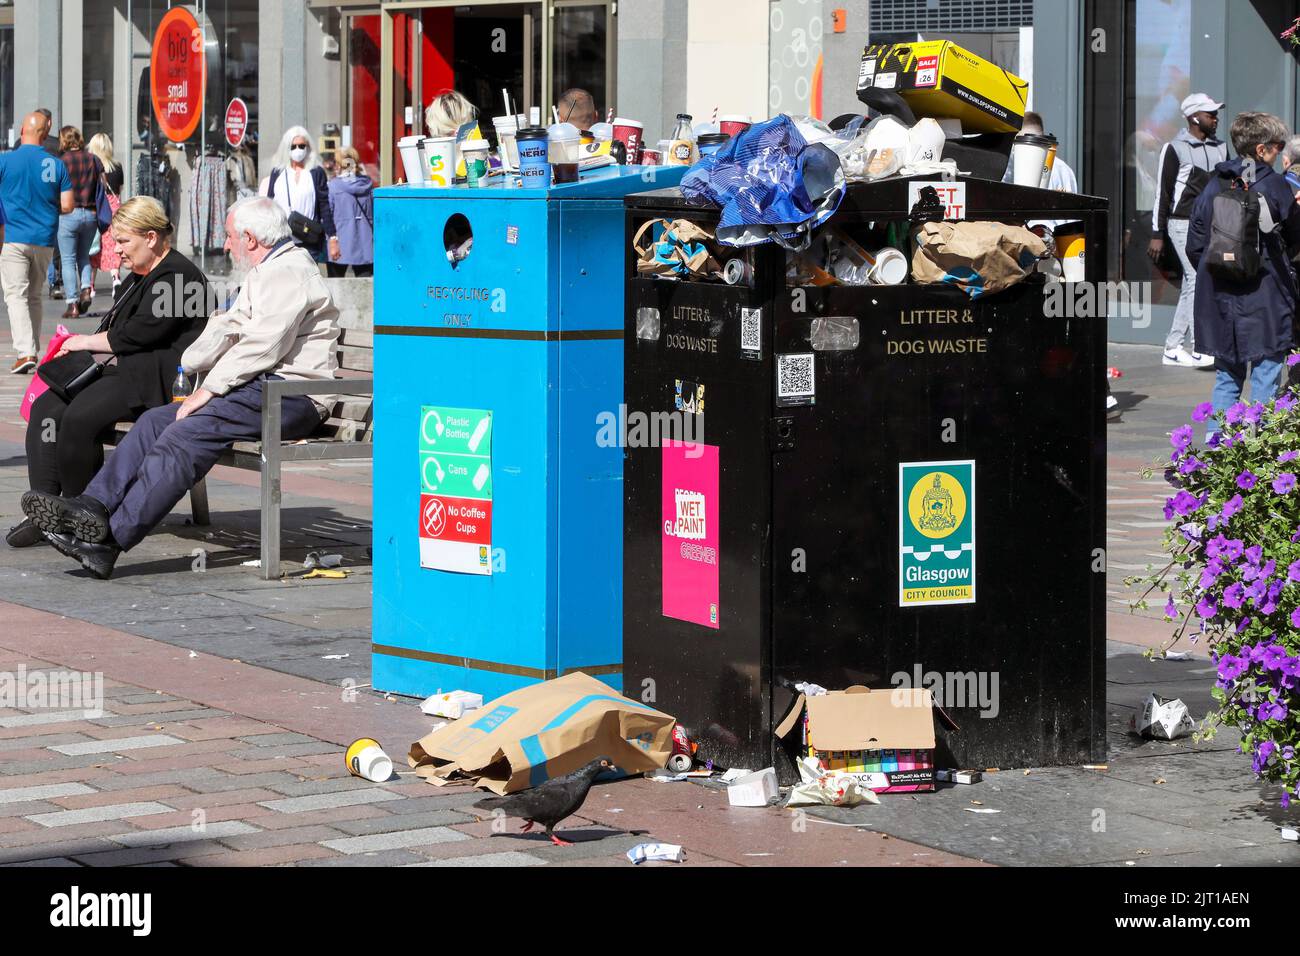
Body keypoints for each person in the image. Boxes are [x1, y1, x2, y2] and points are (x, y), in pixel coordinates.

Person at [21, 197, 340, 579]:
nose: (225, 245)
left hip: (291, 395)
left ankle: (108, 541)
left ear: (251, 239)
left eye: (228, 237)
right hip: (260, 390)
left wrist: (209, 389)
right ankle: (92, 505)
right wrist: (190, 364)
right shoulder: (267, 269)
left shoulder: (288, 272)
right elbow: (227, 324)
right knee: (156, 421)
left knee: (183, 434)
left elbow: (263, 345)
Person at [8, 197, 208, 548]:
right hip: (128, 369)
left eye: (123, 241)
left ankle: (78, 512)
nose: (116, 250)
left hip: (161, 378)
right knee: (48, 406)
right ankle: (44, 511)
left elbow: (144, 332)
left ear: (150, 237)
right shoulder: (142, 274)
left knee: (80, 417)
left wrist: (87, 341)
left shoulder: (181, 276)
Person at [1187, 112, 1300, 422]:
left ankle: (1217, 455)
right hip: (1266, 298)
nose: (1281, 153)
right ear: (1261, 150)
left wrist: (1223, 272)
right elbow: (1296, 239)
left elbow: (1194, 245)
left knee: (1226, 380)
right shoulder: (1275, 185)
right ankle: (1256, 454)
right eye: (1278, 146)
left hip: (1220, 299)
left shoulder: (1213, 184)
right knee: (1266, 378)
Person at [1149, 93, 1228, 369]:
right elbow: (1164, 192)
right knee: (1196, 278)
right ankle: (1199, 347)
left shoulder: (1221, 148)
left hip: (1212, 223)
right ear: (1194, 117)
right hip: (1180, 222)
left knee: (1196, 280)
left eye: (1215, 113)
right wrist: (1157, 233)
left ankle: (1173, 346)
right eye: (1210, 114)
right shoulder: (1174, 148)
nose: (1215, 118)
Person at [0, 111, 72, 374]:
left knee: (15, 294)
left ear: (22, 130)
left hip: (13, 237)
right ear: (46, 133)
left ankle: (25, 352)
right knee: (34, 296)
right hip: (44, 238)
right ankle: (33, 349)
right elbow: (67, 204)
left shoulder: (4, 161)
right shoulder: (56, 165)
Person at [260, 126, 335, 263]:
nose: (298, 150)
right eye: (293, 146)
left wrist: (333, 237)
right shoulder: (278, 172)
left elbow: (324, 206)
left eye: (302, 146)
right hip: (281, 240)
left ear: (308, 147)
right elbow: (270, 204)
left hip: (308, 238)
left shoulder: (316, 172)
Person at [55, 126, 103, 318]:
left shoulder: (61, 162)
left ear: (64, 140)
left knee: (67, 260)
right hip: (90, 213)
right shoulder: (93, 158)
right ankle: (85, 289)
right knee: (84, 256)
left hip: (68, 213)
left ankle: (72, 303)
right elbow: (103, 184)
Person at [325, 147, 374, 278]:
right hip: (365, 243)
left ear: (339, 165)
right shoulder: (367, 184)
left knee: (336, 287)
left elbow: (327, 215)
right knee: (365, 289)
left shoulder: (333, 186)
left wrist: (331, 239)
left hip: (340, 244)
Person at [87, 132, 124, 295]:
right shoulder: (117, 166)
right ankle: (116, 278)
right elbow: (120, 189)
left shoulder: (92, 166)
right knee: (113, 243)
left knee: (94, 245)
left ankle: (91, 285)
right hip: (114, 209)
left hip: (98, 207)